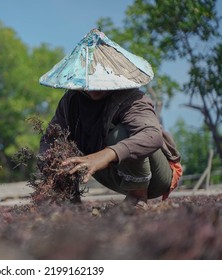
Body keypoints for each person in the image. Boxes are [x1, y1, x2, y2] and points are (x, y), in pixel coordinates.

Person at [38, 29, 182, 209]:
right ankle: (71, 204)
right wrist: (47, 161)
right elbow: (50, 137)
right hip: (112, 174)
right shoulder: (71, 101)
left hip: (155, 177)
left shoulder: (131, 98)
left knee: (121, 133)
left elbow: (152, 136)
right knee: (58, 147)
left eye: (100, 82)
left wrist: (106, 154)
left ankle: (137, 198)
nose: (94, 89)